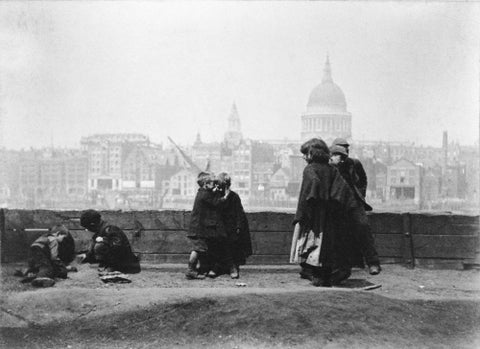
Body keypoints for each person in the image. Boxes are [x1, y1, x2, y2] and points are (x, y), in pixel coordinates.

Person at [291, 138, 358, 287]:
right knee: (327, 245)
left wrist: (303, 213)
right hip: (330, 216)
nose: (303, 157)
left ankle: (316, 276)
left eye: (305, 153)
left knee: (311, 244)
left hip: (314, 215)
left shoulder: (309, 169)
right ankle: (326, 277)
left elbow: (309, 190)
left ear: (312, 153)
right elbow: (343, 191)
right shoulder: (332, 169)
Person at [330, 139, 381, 275]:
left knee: (363, 226)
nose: (344, 151)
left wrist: (360, 195)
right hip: (338, 204)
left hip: (354, 202)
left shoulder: (354, 163)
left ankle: (373, 263)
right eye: (340, 149)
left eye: (346, 149)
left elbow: (363, 179)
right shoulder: (331, 166)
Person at [186, 172, 229, 280]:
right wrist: (226, 195)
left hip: (197, 228)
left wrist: (213, 190)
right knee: (197, 249)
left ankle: (196, 269)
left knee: (200, 249)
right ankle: (191, 270)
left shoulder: (202, 192)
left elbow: (209, 197)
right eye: (212, 183)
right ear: (206, 184)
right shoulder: (205, 195)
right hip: (198, 229)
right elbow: (216, 203)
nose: (214, 185)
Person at [78, 209, 140, 274]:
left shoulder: (110, 229)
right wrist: (86, 256)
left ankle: (114, 268)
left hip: (125, 262)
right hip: (118, 260)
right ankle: (108, 266)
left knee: (100, 245)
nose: (87, 230)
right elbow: (93, 247)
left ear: (93, 224)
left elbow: (118, 245)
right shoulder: (101, 230)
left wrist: (104, 240)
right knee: (97, 243)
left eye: (87, 227)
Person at [215, 172, 252, 279]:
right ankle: (219, 266)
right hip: (220, 226)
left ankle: (231, 267)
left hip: (230, 228)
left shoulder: (234, 197)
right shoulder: (217, 196)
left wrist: (238, 226)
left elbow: (239, 213)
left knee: (229, 243)